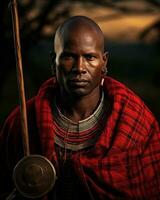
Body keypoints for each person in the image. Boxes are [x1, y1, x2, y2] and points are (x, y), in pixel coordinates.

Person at [0, 15, 160, 200]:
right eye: (68, 56)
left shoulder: (136, 122)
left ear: (104, 61)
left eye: (89, 57)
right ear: (54, 61)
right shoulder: (23, 122)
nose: (79, 67)